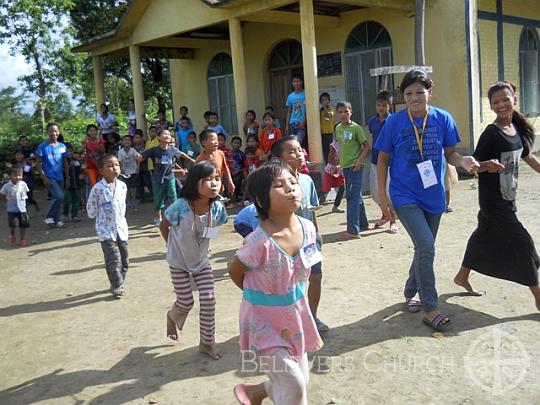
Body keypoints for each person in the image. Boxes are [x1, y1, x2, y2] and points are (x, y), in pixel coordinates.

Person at [375, 69, 479, 330]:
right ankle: (430, 307)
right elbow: (383, 159)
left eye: (420, 92)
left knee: (425, 247)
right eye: (409, 93)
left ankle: (410, 290)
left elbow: (451, 153)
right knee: (426, 245)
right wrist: (382, 195)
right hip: (404, 194)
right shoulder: (394, 122)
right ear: (403, 97)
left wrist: (463, 161)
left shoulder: (443, 119)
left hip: (433, 195)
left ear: (429, 92)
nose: (414, 98)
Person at [228, 161, 323, 405]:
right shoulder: (258, 241)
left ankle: (253, 393)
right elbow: (236, 271)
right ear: (260, 201)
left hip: (295, 317)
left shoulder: (309, 228)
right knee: (293, 384)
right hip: (263, 322)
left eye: (293, 182)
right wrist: (260, 296)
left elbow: (308, 267)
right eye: (279, 185)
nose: (291, 188)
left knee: (300, 380)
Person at [454, 81, 540, 310]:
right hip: (493, 199)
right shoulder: (491, 134)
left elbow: (527, 156)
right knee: (524, 243)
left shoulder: (517, 129)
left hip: (509, 196)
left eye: (505, 99)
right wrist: (485, 166)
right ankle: (539, 297)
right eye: (496, 102)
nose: (501, 105)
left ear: (514, 100)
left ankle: (462, 276)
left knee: (484, 234)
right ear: (491, 106)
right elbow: (471, 165)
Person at [159, 161, 228, 359]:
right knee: (186, 301)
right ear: (193, 183)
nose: (214, 184)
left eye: (217, 179)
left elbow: (212, 228)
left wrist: (205, 245)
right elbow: (164, 226)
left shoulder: (217, 209)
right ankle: (172, 316)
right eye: (207, 180)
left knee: (208, 299)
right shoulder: (179, 207)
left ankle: (206, 343)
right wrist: (171, 246)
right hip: (178, 261)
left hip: (201, 261)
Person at [272, 136, 328, 333]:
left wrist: (317, 234)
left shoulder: (306, 180)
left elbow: (310, 210)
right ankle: (290, 320)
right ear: (279, 158)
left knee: (316, 276)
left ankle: (312, 317)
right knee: (290, 283)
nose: (299, 154)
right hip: (287, 242)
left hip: (309, 240)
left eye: (300, 150)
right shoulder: (275, 186)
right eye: (292, 151)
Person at [87, 154, 129, 298]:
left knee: (125, 260)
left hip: (121, 229)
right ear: (101, 171)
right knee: (113, 259)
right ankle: (117, 285)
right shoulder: (97, 189)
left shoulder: (123, 186)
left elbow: (122, 207)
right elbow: (91, 210)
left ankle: (118, 281)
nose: (114, 168)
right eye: (110, 166)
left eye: (116, 165)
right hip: (106, 231)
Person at [334, 101, 371, 239]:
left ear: (351, 112)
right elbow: (340, 146)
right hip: (345, 167)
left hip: (356, 167)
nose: (343, 114)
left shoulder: (356, 128)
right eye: (340, 112)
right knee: (357, 195)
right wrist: (338, 163)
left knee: (351, 196)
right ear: (337, 114)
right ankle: (363, 224)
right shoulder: (338, 128)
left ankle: (353, 230)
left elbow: (366, 146)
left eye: (346, 111)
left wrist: (359, 160)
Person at [140, 129, 188, 225]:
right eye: (164, 134)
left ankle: (175, 216)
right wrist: (138, 157)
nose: (167, 135)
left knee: (173, 196)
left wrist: (193, 160)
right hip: (158, 178)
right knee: (158, 199)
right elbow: (142, 156)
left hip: (170, 177)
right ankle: (158, 216)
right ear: (159, 137)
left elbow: (182, 154)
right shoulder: (154, 150)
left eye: (169, 134)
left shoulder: (172, 149)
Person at [368, 91, 398, 234]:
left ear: (389, 106)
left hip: (390, 162)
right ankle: (385, 215)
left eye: (384, 105)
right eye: (379, 105)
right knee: (375, 193)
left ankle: (393, 221)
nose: (381, 108)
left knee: (387, 192)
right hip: (375, 161)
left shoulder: (394, 121)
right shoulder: (372, 121)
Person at [35, 122, 68, 228]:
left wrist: (67, 177)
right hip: (49, 176)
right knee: (60, 196)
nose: (53, 133)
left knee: (56, 198)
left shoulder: (62, 146)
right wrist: (44, 177)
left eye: (55, 131)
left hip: (60, 176)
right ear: (47, 132)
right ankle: (48, 216)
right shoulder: (43, 146)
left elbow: (65, 162)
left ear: (59, 132)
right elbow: (38, 163)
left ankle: (56, 220)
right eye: (51, 131)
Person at [195, 129, 234, 195]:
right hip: (207, 190)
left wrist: (230, 182)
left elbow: (225, 168)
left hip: (219, 187)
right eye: (213, 140)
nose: (216, 142)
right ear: (204, 143)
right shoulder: (200, 159)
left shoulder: (220, 153)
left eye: (217, 140)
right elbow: (197, 177)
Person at [1, 166, 30, 246]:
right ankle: (12, 234)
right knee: (12, 224)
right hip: (11, 209)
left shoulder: (23, 184)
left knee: (23, 224)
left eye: (20, 175)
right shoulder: (6, 186)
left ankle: (22, 239)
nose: (17, 177)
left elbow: (26, 193)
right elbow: (2, 194)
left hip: (22, 209)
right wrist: (6, 201)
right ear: (10, 176)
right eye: (15, 175)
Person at [323, 138, 345, 214]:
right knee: (326, 190)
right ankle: (314, 201)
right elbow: (329, 159)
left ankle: (335, 207)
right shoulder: (334, 145)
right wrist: (337, 165)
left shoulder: (347, 143)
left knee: (342, 187)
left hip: (339, 170)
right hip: (331, 170)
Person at [118, 135, 141, 209]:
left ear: (131, 142)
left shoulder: (133, 150)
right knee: (126, 187)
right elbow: (119, 161)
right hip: (125, 172)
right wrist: (121, 169)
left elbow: (138, 159)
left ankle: (134, 200)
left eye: (128, 140)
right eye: (125, 140)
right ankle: (129, 200)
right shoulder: (120, 152)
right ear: (122, 142)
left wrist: (138, 168)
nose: (127, 141)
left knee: (133, 187)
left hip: (133, 171)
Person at [62, 144, 83, 222]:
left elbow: (81, 170)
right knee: (66, 199)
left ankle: (74, 215)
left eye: (70, 151)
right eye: (67, 151)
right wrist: (67, 167)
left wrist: (82, 173)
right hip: (66, 183)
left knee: (76, 200)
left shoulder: (77, 160)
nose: (69, 153)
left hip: (76, 183)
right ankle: (65, 214)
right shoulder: (61, 161)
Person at [285, 74, 307, 146]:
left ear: (301, 82)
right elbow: (289, 111)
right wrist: (287, 125)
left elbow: (308, 109)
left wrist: (303, 120)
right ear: (292, 83)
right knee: (293, 144)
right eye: (294, 82)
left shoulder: (306, 94)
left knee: (297, 143)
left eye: (298, 81)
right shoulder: (290, 96)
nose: (296, 83)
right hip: (292, 124)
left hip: (301, 123)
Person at [81, 124, 105, 188]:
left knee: (102, 183)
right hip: (90, 166)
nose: (92, 132)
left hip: (100, 166)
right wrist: (85, 142)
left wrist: (100, 141)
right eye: (90, 131)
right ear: (87, 132)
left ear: (97, 131)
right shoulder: (86, 141)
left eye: (94, 130)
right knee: (93, 184)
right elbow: (81, 151)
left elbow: (103, 152)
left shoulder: (100, 140)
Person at [133, 131, 152, 203]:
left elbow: (145, 156)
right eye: (135, 138)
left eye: (139, 138)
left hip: (145, 167)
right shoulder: (132, 148)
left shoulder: (145, 146)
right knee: (139, 183)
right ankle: (142, 198)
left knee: (148, 182)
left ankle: (153, 195)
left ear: (142, 139)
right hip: (136, 169)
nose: (137, 139)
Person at [319, 92, 335, 163]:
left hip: (329, 132)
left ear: (329, 101)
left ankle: (331, 163)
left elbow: (328, 115)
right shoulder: (320, 111)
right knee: (325, 150)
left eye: (326, 100)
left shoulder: (331, 109)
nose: (324, 102)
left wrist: (325, 107)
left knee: (330, 150)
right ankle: (327, 164)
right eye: (322, 100)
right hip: (322, 133)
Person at [230, 136, 245, 205]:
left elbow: (245, 167)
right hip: (229, 173)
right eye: (235, 143)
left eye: (238, 143)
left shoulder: (242, 155)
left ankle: (235, 197)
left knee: (237, 180)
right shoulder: (228, 154)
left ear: (241, 145)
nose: (236, 144)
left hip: (239, 173)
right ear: (231, 144)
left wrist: (238, 172)